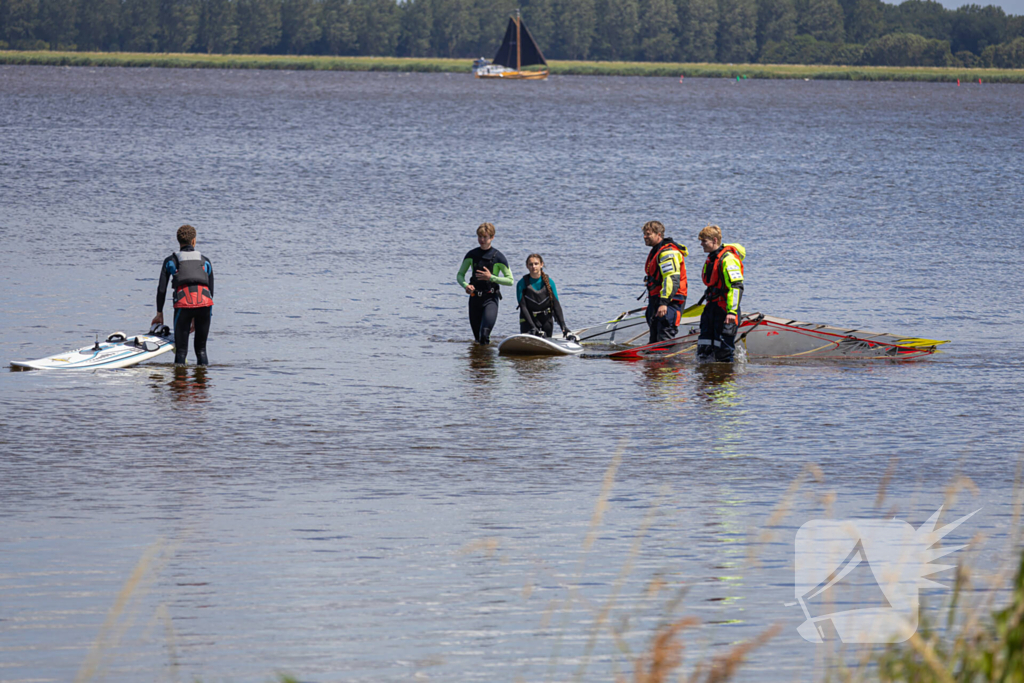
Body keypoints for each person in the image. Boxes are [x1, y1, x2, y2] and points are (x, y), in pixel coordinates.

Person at [151, 224, 214, 366]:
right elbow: (211, 290)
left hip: (183, 306)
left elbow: (161, 289)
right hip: (204, 305)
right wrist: (197, 313)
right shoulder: (205, 261)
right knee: (201, 350)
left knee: (181, 351)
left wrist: (159, 313)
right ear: (194, 241)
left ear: (178, 241)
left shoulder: (170, 261)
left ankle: (179, 386)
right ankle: (202, 385)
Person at [456, 223, 513, 344]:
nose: (481, 240)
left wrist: (491, 277)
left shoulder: (499, 257)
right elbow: (460, 275)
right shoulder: (471, 255)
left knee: (485, 334)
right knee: (477, 338)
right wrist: (466, 285)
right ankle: (478, 361)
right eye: (479, 237)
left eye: (485, 237)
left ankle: (487, 362)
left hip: (490, 299)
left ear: (492, 237)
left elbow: (510, 280)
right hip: (474, 298)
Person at [697, 225, 745, 362]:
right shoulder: (712, 258)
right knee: (704, 348)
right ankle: (706, 378)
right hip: (712, 308)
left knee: (723, 351)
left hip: (726, 311)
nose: (701, 244)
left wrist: (731, 312)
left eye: (704, 241)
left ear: (714, 240)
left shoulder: (728, 259)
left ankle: (726, 380)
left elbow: (736, 287)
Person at [641, 220, 688, 344]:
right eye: (644, 234)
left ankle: (667, 362)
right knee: (654, 339)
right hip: (657, 299)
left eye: (648, 234)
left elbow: (671, 279)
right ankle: (653, 361)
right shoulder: (657, 250)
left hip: (670, 302)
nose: (644, 237)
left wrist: (663, 303)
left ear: (659, 235)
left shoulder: (668, 252)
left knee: (664, 337)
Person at [516, 254, 570, 338]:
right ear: (527, 266)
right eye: (531, 264)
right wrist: (533, 327)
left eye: (536, 264)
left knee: (546, 339)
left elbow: (556, 306)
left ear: (541, 264)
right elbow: (523, 308)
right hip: (528, 320)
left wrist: (563, 326)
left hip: (546, 320)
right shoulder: (521, 284)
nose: (533, 266)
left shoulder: (549, 282)